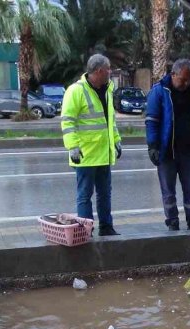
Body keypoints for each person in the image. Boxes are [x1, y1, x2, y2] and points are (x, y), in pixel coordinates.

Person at [145, 58, 190, 231]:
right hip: (166, 150)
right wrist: (153, 146)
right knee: (168, 191)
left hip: (187, 149)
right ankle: (172, 221)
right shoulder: (159, 92)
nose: (186, 83)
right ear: (173, 74)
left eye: (189, 79)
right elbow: (152, 121)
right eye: (183, 79)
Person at [61, 54, 122, 236]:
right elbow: (67, 121)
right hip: (85, 154)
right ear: (99, 71)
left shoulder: (108, 89)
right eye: (109, 69)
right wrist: (73, 147)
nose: (110, 72)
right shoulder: (76, 91)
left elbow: (110, 120)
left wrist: (117, 141)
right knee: (84, 196)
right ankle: (85, 231)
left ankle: (106, 227)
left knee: (105, 194)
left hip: (103, 153)